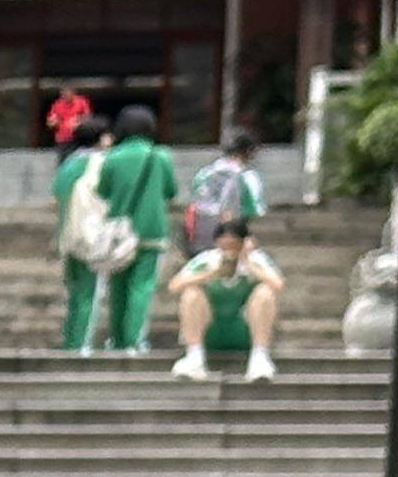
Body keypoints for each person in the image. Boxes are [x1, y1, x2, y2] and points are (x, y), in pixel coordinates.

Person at [57, 102, 179, 356]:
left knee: (117, 288)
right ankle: (133, 341)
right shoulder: (161, 156)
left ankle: (116, 337)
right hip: (152, 231)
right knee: (141, 286)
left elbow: (103, 191)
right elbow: (171, 191)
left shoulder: (112, 158)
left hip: (117, 233)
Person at [166, 213, 287, 384]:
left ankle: (260, 356)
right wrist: (211, 274)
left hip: (244, 330)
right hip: (210, 328)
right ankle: (194, 356)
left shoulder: (256, 260)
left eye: (235, 244)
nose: (230, 251)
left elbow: (278, 285)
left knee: (265, 292)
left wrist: (249, 265)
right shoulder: (207, 260)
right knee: (191, 292)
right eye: (225, 245)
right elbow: (175, 285)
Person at [181, 128, 266, 259]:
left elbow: (194, 200)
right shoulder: (248, 177)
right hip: (228, 240)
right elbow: (254, 210)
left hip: (197, 237)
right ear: (249, 152)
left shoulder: (203, 173)